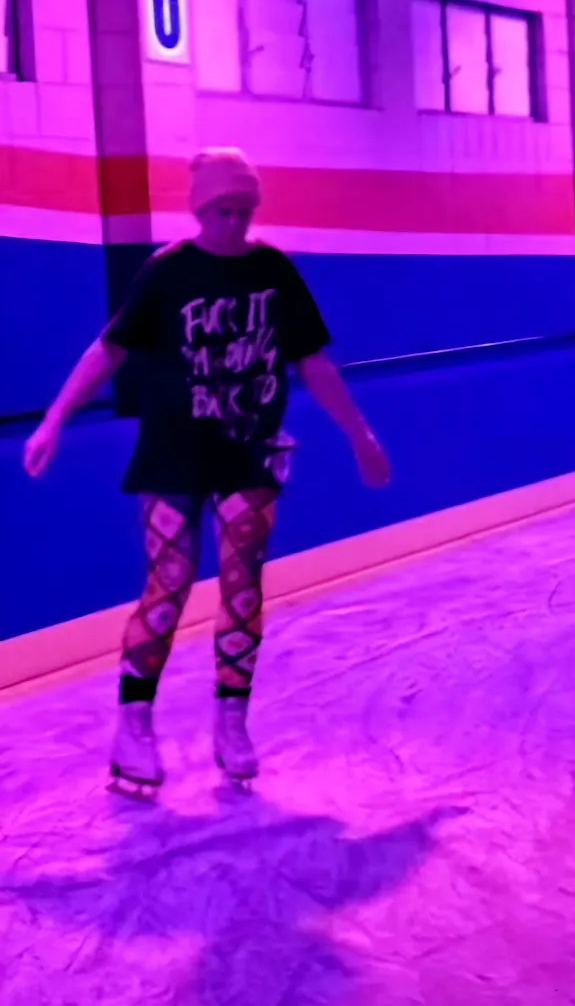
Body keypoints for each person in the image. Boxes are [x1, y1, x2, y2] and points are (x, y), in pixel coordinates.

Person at [21, 147, 391, 791]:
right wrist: (54, 418)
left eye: (244, 212)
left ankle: (231, 718)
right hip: (172, 453)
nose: (233, 224)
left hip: (248, 450)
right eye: (222, 211)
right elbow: (109, 349)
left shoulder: (274, 271)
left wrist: (360, 434)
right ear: (200, 209)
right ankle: (133, 723)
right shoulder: (168, 273)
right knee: (169, 581)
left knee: (243, 583)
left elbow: (314, 362)